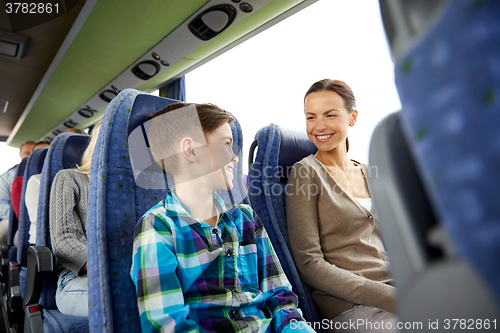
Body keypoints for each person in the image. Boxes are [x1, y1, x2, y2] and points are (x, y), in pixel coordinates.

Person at [130, 102, 314, 333]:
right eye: (226, 144)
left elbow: (281, 298)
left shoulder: (246, 218)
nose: (235, 157)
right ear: (190, 150)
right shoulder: (158, 226)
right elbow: (167, 323)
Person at [286, 79, 397, 333]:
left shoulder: (369, 172)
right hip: (350, 307)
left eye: (330, 115)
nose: (319, 126)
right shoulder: (305, 173)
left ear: (352, 117)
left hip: (395, 289)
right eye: (310, 117)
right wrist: (391, 297)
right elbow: (309, 264)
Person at [49, 123, 101, 317]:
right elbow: (64, 241)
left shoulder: (142, 187)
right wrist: (110, 267)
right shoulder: (69, 178)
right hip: (79, 277)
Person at [0, 140, 35, 245]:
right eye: (27, 153)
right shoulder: (9, 177)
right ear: (20, 155)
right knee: (4, 231)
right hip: (12, 217)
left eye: (33, 153)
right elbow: (1, 203)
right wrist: (18, 215)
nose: (30, 156)